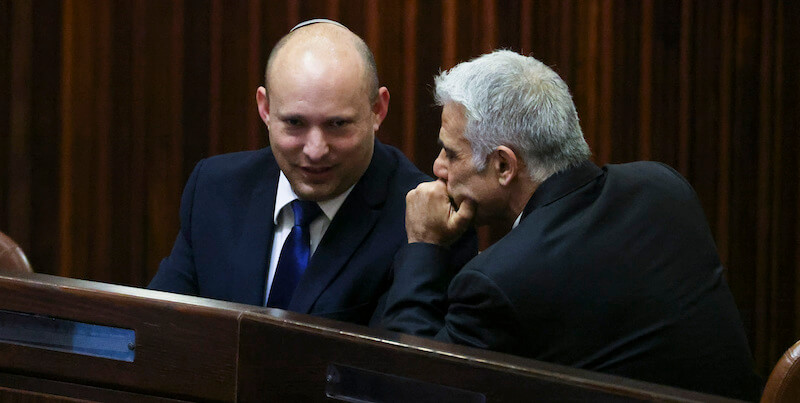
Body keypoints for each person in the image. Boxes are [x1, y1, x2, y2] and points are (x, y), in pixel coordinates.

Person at [380, 50, 762, 400]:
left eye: (451, 152)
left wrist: (423, 246)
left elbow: (412, 387)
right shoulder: (663, 187)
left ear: (503, 166)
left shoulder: (499, 280)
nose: (437, 168)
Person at [148, 20, 475, 326]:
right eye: (295, 123)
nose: (315, 149)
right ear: (265, 108)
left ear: (378, 110)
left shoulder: (429, 223)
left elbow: (409, 371)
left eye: (337, 124)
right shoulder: (216, 188)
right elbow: (158, 329)